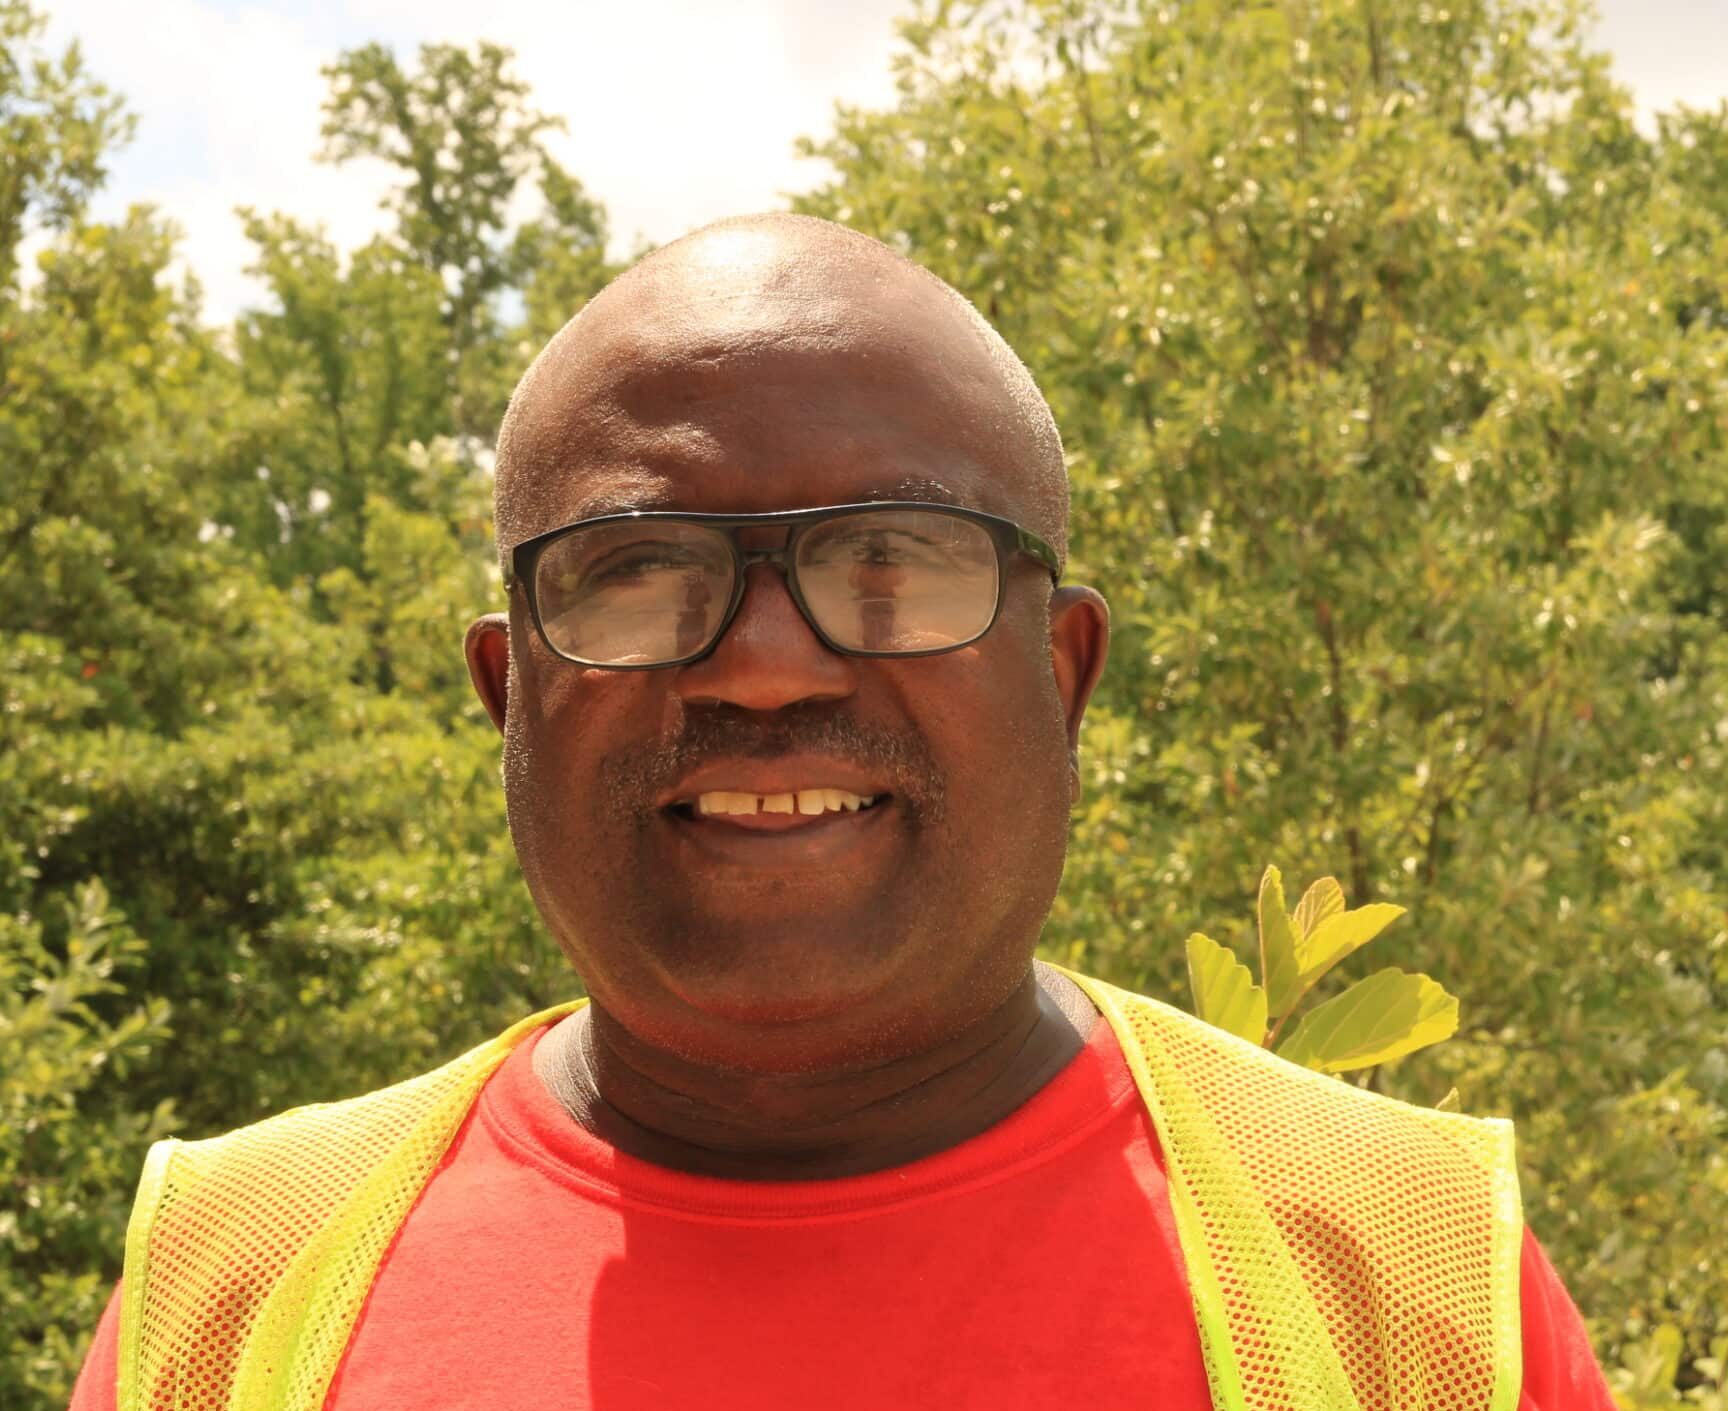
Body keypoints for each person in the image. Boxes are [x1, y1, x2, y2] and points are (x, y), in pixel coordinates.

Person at [69, 214, 1614, 1411]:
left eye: (891, 560)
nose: (757, 663)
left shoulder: (1410, 1287)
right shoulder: (233, 1290)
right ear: (507, 698)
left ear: (1062, 676)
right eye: (642, 571)